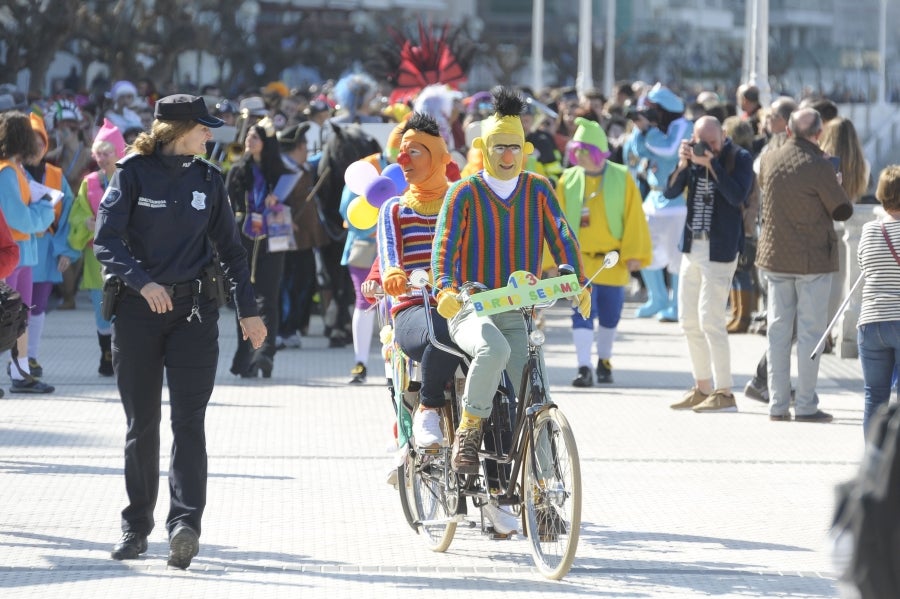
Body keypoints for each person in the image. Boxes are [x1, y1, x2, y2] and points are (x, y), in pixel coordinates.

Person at [93, 94, 266, 568]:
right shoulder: (130, 174)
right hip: (136, 312)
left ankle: (185, 525)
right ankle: (135, 527)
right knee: (141, 425)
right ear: (177, 129)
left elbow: (231, 251)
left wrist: (248, 312)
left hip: (194, 313)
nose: (211, 135)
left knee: (189, 423)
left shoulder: (208, 178)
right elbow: (105, 241)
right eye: (203, 128)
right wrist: (142, 281)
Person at [431, 87, 590, 476]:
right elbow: (444, 248)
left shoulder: (538, 189)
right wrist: (446, 288)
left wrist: (577, 280)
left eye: (515, 148)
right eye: (500, 147)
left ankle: (545, 483)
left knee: (534, 390)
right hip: (472, 306)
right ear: (484, 147)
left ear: (525, 149)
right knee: (492, 349)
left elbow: (563, 236)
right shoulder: (463, 192)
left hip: (517, 309)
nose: (507, 157)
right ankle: (469, 431)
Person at [756, 107, 853, 423]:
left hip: (775, 257)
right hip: (812, 259)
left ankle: (778, 404)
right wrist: (835, 180)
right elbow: (842, 210)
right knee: (811, 334)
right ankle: (807, 404)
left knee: (778, 332)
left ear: (787, 131)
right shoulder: (819, 165)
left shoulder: (769, 159)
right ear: (819, 133)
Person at [376, 113, 461, 449]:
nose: (402, 159)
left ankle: (501, 482)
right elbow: (388, 253)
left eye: (413, 152)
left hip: (462, 302)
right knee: (443, 331)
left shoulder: (460, 200)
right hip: (415, 306)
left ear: (439, 158)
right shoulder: (395, 208)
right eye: (402, 152)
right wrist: (394, 275)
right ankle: (429, 407)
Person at [666, 116, 754, 413]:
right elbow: (669, 192)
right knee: (688, 320)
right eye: (704, 142)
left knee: (711, 320)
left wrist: (711, 164)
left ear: (724, 135)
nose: (709, 148)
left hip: (721, 248)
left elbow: (737, 195)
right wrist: (683, 163)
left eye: (714, 143)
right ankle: (702, 386)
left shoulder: (739, 158)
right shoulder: (692, 157)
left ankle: (725, 391)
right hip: (693, 247)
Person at [555, 117, 651, 387]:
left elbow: (635, 218)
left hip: (613, 261)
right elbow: (557, 223)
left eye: (584, 152)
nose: (579, 157)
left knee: (610, 316)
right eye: (576, 152)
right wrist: (554, 261)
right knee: (581, 314)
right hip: (579, 263)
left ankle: (604, 360)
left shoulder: (622, 177)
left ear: (598, 152)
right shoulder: (568, 180)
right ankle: (584, 366)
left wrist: (634, 253)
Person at [226, 117, 288, 378]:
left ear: (266, 142)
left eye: (256, 137)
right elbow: (228, 206)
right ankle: (246, 358)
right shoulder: (238, 169)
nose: (250, 141)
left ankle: (265, 354)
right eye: (249, 136)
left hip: (273, 237)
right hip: (245, 236)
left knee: (269, 298)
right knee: (245, 298)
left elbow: (293, 200)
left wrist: (277, 201)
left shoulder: (280, 172)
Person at [0, 111, 57, 393]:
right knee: (7, 314)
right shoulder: (6, 172)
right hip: (12, 253)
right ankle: (20, 373)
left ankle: (20, 373)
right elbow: (18, 219)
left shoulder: (15, 170)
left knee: (19, 316)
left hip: (22, 254)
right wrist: (45, 210)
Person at [628, 84, 694, 322]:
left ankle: (677, 304)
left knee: (677, 257)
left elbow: (669, 150)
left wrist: (649, 131)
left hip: (677, 202)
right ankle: (657, 298)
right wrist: (641, 128)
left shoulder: (683, 126)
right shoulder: (655, 129)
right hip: (653, 199)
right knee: (644, 251)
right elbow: (637, 152)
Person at [69, 119, 127, 376]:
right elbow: (76, 216)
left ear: (119, 153)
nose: (101, 158)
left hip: (126, 256)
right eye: (98, 153)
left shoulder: (130, 179)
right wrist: (87, 223)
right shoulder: (89, 182)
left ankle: (124, 356)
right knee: (101, 309)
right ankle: (106, 357)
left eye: (107, 153)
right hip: (96, 257)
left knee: (125, 311)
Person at [23, 113, 79, 380]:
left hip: (46, 250)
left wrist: (66, 250)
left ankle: (29, 357)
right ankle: (17, 360)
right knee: (14, 308)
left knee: (39, 306)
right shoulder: (9, 173)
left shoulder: (56, 175)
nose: (35, 147)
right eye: (29, 142)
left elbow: (69, 212)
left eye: (40, 142)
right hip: (18, 250)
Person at [856, 165, 900, 437]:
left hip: (871, 321)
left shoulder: (870, 230)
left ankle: (873, 465)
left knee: (874, 396)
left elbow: (864, 264)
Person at [276, 122, 326, 348]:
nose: (307, 148)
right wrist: (286, 220)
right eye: (304, 144)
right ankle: (281, 329)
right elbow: (273, 203)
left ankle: (292, 327)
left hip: (305, 240)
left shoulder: (302, 169)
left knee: (302, 284)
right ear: (295, 147)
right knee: (285, 285)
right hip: (285, 241)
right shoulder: (280, 170)